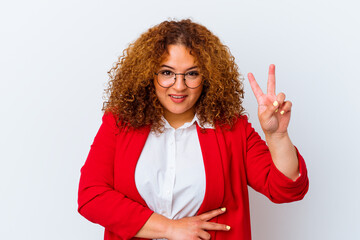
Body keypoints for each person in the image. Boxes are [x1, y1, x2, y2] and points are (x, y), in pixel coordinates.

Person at [77, 19, 309, 240]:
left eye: (192, 74)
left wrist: (277, 136)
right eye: (167, 72)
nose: (179, 86)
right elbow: (91, 196)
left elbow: (285, 190)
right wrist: (169, 228)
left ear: (207, 76)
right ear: (149, 75)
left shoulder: (232, 128)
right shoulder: (120, 123)